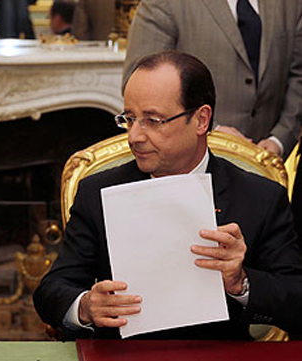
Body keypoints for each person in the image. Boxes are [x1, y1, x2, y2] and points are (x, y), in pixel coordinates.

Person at [34, 50, 302, 340]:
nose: (134, 136)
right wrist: (85, 306)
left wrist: (242, 283)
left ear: (201, 120)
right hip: (124, 356)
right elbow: (52, 290)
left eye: (152, 120)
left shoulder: (259, 196)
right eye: (130, 118)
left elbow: (296, 300)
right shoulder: (97, 191)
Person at [123, 0, 302, 159]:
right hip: (192, 163)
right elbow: (138, 85)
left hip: (268, 163)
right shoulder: (164, 4)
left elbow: (298, 76)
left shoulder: (291, 4)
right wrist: (213, 131)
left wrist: (278, 139)